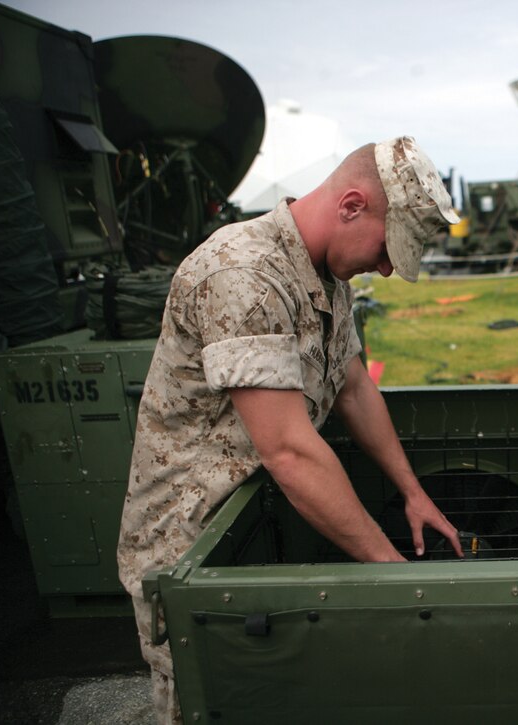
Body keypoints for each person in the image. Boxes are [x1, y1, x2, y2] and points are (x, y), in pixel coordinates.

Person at [117, 136, 464, 723]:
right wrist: (398, 580)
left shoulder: (326, 273)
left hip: (262, 517)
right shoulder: (244, 276)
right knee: (213, 702)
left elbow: (352, 387)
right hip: (194, 544)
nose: (385, 266)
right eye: (387, 248)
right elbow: (290, 451)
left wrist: (413, 493)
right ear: (351, 206)